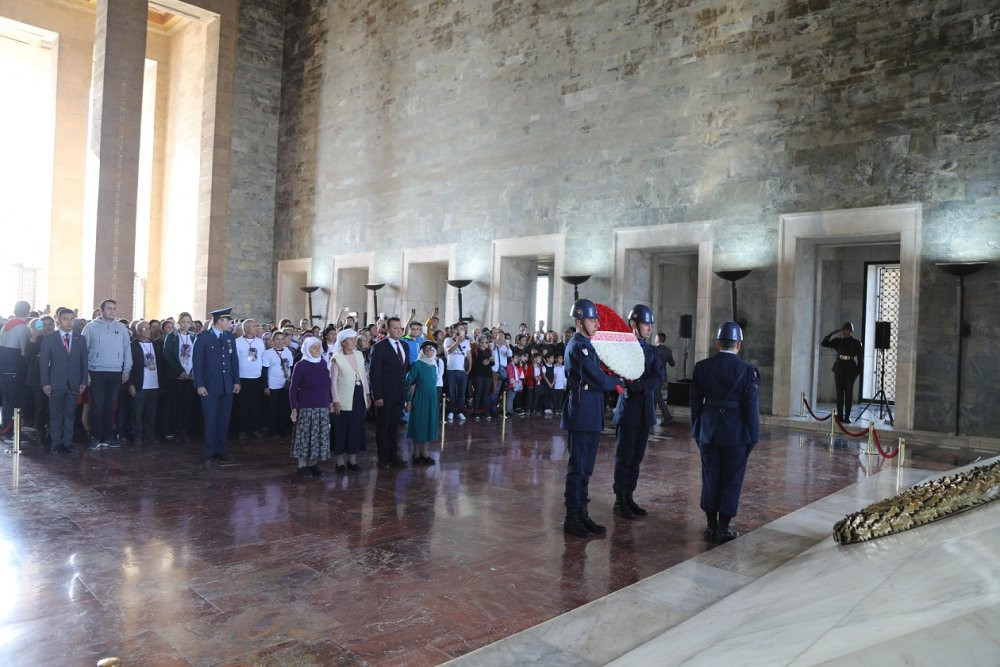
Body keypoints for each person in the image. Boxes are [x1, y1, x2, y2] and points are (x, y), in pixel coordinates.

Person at [690, 321, 760, 544]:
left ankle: (710, 526)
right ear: (739, 344)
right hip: (736, 435)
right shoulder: (747, 371)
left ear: (718, 342)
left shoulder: (702, 367)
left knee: (710, 477)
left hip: (708, 431)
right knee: (731, 479)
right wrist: (753, 437)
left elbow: (694, 405)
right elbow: (751, 409)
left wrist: (697, 431)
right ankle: (723, 527)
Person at [562, 299, 623, 538]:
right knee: (578, 467)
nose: (596, 323)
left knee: (586, 468)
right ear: (579, 322)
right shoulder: (579, 346)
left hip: (591, 410)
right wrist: (617, 381)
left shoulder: (588, 344)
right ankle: (572, 517)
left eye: (596, 319)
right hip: (581, 412)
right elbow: (596, 378)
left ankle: (582, 513)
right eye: (591, 320)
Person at [611, 305, 666, 519]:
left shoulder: (652, 350)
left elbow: (659, 376)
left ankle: (629, 495)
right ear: (634, 325)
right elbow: (619, 375)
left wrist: (640, 385)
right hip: (629, 411)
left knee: (637, 457)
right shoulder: (622, 348)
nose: (650, 328)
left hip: (645, 411)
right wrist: (634, 383)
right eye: (646, 324)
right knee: (624, 457)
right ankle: (619, 499)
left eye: (651, 324)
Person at [192, 307, 241, 464]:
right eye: (228, 321)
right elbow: (197, 363)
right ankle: (210, 452)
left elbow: (234, 361)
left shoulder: (229, 337)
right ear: (220, 321)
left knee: (224, 419)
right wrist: (199, 384)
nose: (230, 324)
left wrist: (236, 381)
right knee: (211, 418)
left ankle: (222, 450)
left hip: (227, 385)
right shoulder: (203, 337)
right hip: (210, 386)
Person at [81, 299, 132, 449]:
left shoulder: (121, 328)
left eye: (114, 308)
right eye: (109, 308)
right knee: (97, 405)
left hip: (116, 372)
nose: (112, 311)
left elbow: (126, 350)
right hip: (96, 372)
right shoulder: (90, 327)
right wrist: (86, 373)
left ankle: (109, 435)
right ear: (101, 310)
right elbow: (83, 352)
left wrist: (126, 369)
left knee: (110, 406)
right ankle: (96, 437)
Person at [39, 307, 88, 454]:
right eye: (65, 319)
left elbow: (84, 362)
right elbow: (43, 363)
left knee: (70, 414)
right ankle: (56, 443)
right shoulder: (49, 338)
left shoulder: (81, 338)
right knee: (55, 415)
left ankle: (68, 442)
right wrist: (45, 383)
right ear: (58, 320)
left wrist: (83, 381)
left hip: (74, 383)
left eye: (71, 319)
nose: (69, 322)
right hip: (55, 383)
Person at [368, 317, 409, 469]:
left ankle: (394, 455)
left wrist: (405, 396)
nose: (399, 330)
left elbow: (404, 371)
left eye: (400, 328)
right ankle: (383, 458)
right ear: (387, 329)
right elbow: (374, 374)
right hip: (384, 395)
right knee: (383, 426)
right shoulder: (379, 347)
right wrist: (377, 395)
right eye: (395, 328)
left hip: (398, 394)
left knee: (394, 426)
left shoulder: (404, 345)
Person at [289, 336, 332, 477]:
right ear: (307, 348)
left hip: (322, 407)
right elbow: (293, 388)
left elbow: (327, 385)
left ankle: (313, 464)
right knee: (304, 437)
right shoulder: (301, 365)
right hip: (306, 408)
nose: (317, 349)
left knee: (319, 437)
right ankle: (302, 466)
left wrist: (330, 401)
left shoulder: (323, 363)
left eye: (319, 347)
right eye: (314, 347)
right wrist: (293, 407)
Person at [330, 329, 370, 473]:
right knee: (341, 429)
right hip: (343, 398)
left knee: (356, 427)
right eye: (351, 339)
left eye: (354, 339)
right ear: (343, 342)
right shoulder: (336, 358)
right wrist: (335, 401)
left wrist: (367, 394)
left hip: (358, 395)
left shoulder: (359, 355)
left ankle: (352, 461)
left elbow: (364, 376)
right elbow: (333, 382)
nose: (354, 342)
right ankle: (340, 463)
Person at [0, 300, 33, 442]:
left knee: (7, 400)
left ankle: (6, 429)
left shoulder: (6, 326)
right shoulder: (23, 328)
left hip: (4, 367)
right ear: (28, 311)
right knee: (15, 401)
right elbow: (25, 352)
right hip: (15, 367)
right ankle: (11, 433)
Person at [127, 321, 164, 445]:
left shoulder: (156, 345)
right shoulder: (132, 346)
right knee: (137, 412)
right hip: (139, 384)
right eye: (144, 328)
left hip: (154, 384)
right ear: (138, 331)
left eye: (149, 328)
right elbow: (128, 366)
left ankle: (149, 434)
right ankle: (137, 435)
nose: (148, 330)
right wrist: (130, 383)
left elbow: (161, 364)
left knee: (151, 412)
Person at [162, 312, 197, 442]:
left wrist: (193, 372)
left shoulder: (194, 337)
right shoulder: (172, 336)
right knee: (174, 405)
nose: (186, 325)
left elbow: (197, 355)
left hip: (190, 376)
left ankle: (184, 430)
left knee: (187, 405)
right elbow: (168, 355)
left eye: (188, 322)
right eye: (183, 322)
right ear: (179, 322)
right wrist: (180, 371)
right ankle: (174, 430)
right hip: (176, 377)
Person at [405, 340, 440, 465]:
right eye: (426, 348)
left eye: (431, 349)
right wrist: (408, 400)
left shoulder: (434, 365)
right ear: (422, 350)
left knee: (429, 424)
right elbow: (408, 382)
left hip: (432, 398)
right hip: (420, 397)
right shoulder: (418, 364)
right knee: (419, 424)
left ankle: (424, 453)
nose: (429, 351)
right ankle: (416, 454)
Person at [821, 322, 863, 422]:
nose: (845, 331)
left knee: (848, 394)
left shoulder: (857, 343)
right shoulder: (838, 341)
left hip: (850, 370)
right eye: (844, 329)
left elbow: (860, 360)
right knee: (839, 394)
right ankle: (839, 417)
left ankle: (847, 417)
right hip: (839, 368)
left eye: (847, 329)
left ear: (851, 331)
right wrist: (831, 334)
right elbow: (824, 344)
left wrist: (857, 372)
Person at [235, 319, 266, 439]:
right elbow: (235, 361)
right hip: (243, 378)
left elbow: (262, 358)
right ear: (246, 328)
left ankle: (255, 428)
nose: (256, 328)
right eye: (253, 326)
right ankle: (242, 429)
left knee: (255, 405)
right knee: (243, 405)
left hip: (256, 378)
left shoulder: (259, 342)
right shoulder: (237, 342)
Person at [262, 330, 294, 436]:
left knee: (283, 408)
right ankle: (272, 429)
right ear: (273, 341)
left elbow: (291, 367)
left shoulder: (288, 352)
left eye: (282, 339)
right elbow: (265, 371)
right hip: (273, 385)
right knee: (272, 408)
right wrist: (266, 386)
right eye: (277, 339)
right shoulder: (268, 353)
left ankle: (282, 429)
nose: (280, 342)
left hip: (285, 385)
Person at [443, 323, 471, 422]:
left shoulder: (467, 342)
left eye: (463, 328)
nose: (463, 330)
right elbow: (449, 351)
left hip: (462, 370)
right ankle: (451, 411)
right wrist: (458, 342)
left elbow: (469, 355)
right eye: (460, 328)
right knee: (451, 393)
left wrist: (470, 367)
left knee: (462, 393)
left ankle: (460, 412)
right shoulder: (448, 340)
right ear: (454, 330)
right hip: (451, 370)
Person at [654, 333, 676, 425]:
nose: (655, 339)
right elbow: (672, 364)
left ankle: (668, 417)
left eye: (655, 338)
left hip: (654, 376)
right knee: (655, 396)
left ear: (658, 339)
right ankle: (651, 417)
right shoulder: (668, 351)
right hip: (662, 377)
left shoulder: (653, 350)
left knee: (657, 396)